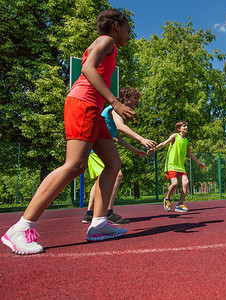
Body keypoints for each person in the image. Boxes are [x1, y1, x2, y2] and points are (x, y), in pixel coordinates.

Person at [2, 9, 136, 255]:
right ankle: (21, 227)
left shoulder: (110, 47)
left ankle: (98, 224)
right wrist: (115, 103)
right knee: (75, 165)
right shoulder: (106, 40)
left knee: (113, 163)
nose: (129, 34)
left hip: (94, 108)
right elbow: (87, 69)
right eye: (128, 29)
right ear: (116, 25)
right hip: (83, 103)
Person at [82, 87, 156, 225]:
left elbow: (116, 137)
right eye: (135, 98)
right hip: (96, 148)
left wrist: (134, 149)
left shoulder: (116, 112)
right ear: (126, 97)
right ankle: (108, 212)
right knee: (117, 175)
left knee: (101, 179)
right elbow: (120, 127)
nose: (137, 101)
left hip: (97, 147)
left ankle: (90, 213)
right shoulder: (115, 108)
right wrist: (141, 139)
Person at [149, 121, 205, 213]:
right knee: (175, 184)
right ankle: (167, 199)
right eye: (184, 126)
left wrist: (199, 163)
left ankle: (179, 205)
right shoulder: (175, 136)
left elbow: (190, 153)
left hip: (180, 166)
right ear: (179, 129)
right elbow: (164, 143)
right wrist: (154, 149)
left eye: (186, 126)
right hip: (171, 164)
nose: (186, 127)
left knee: (186, 183)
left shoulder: (186, 140)